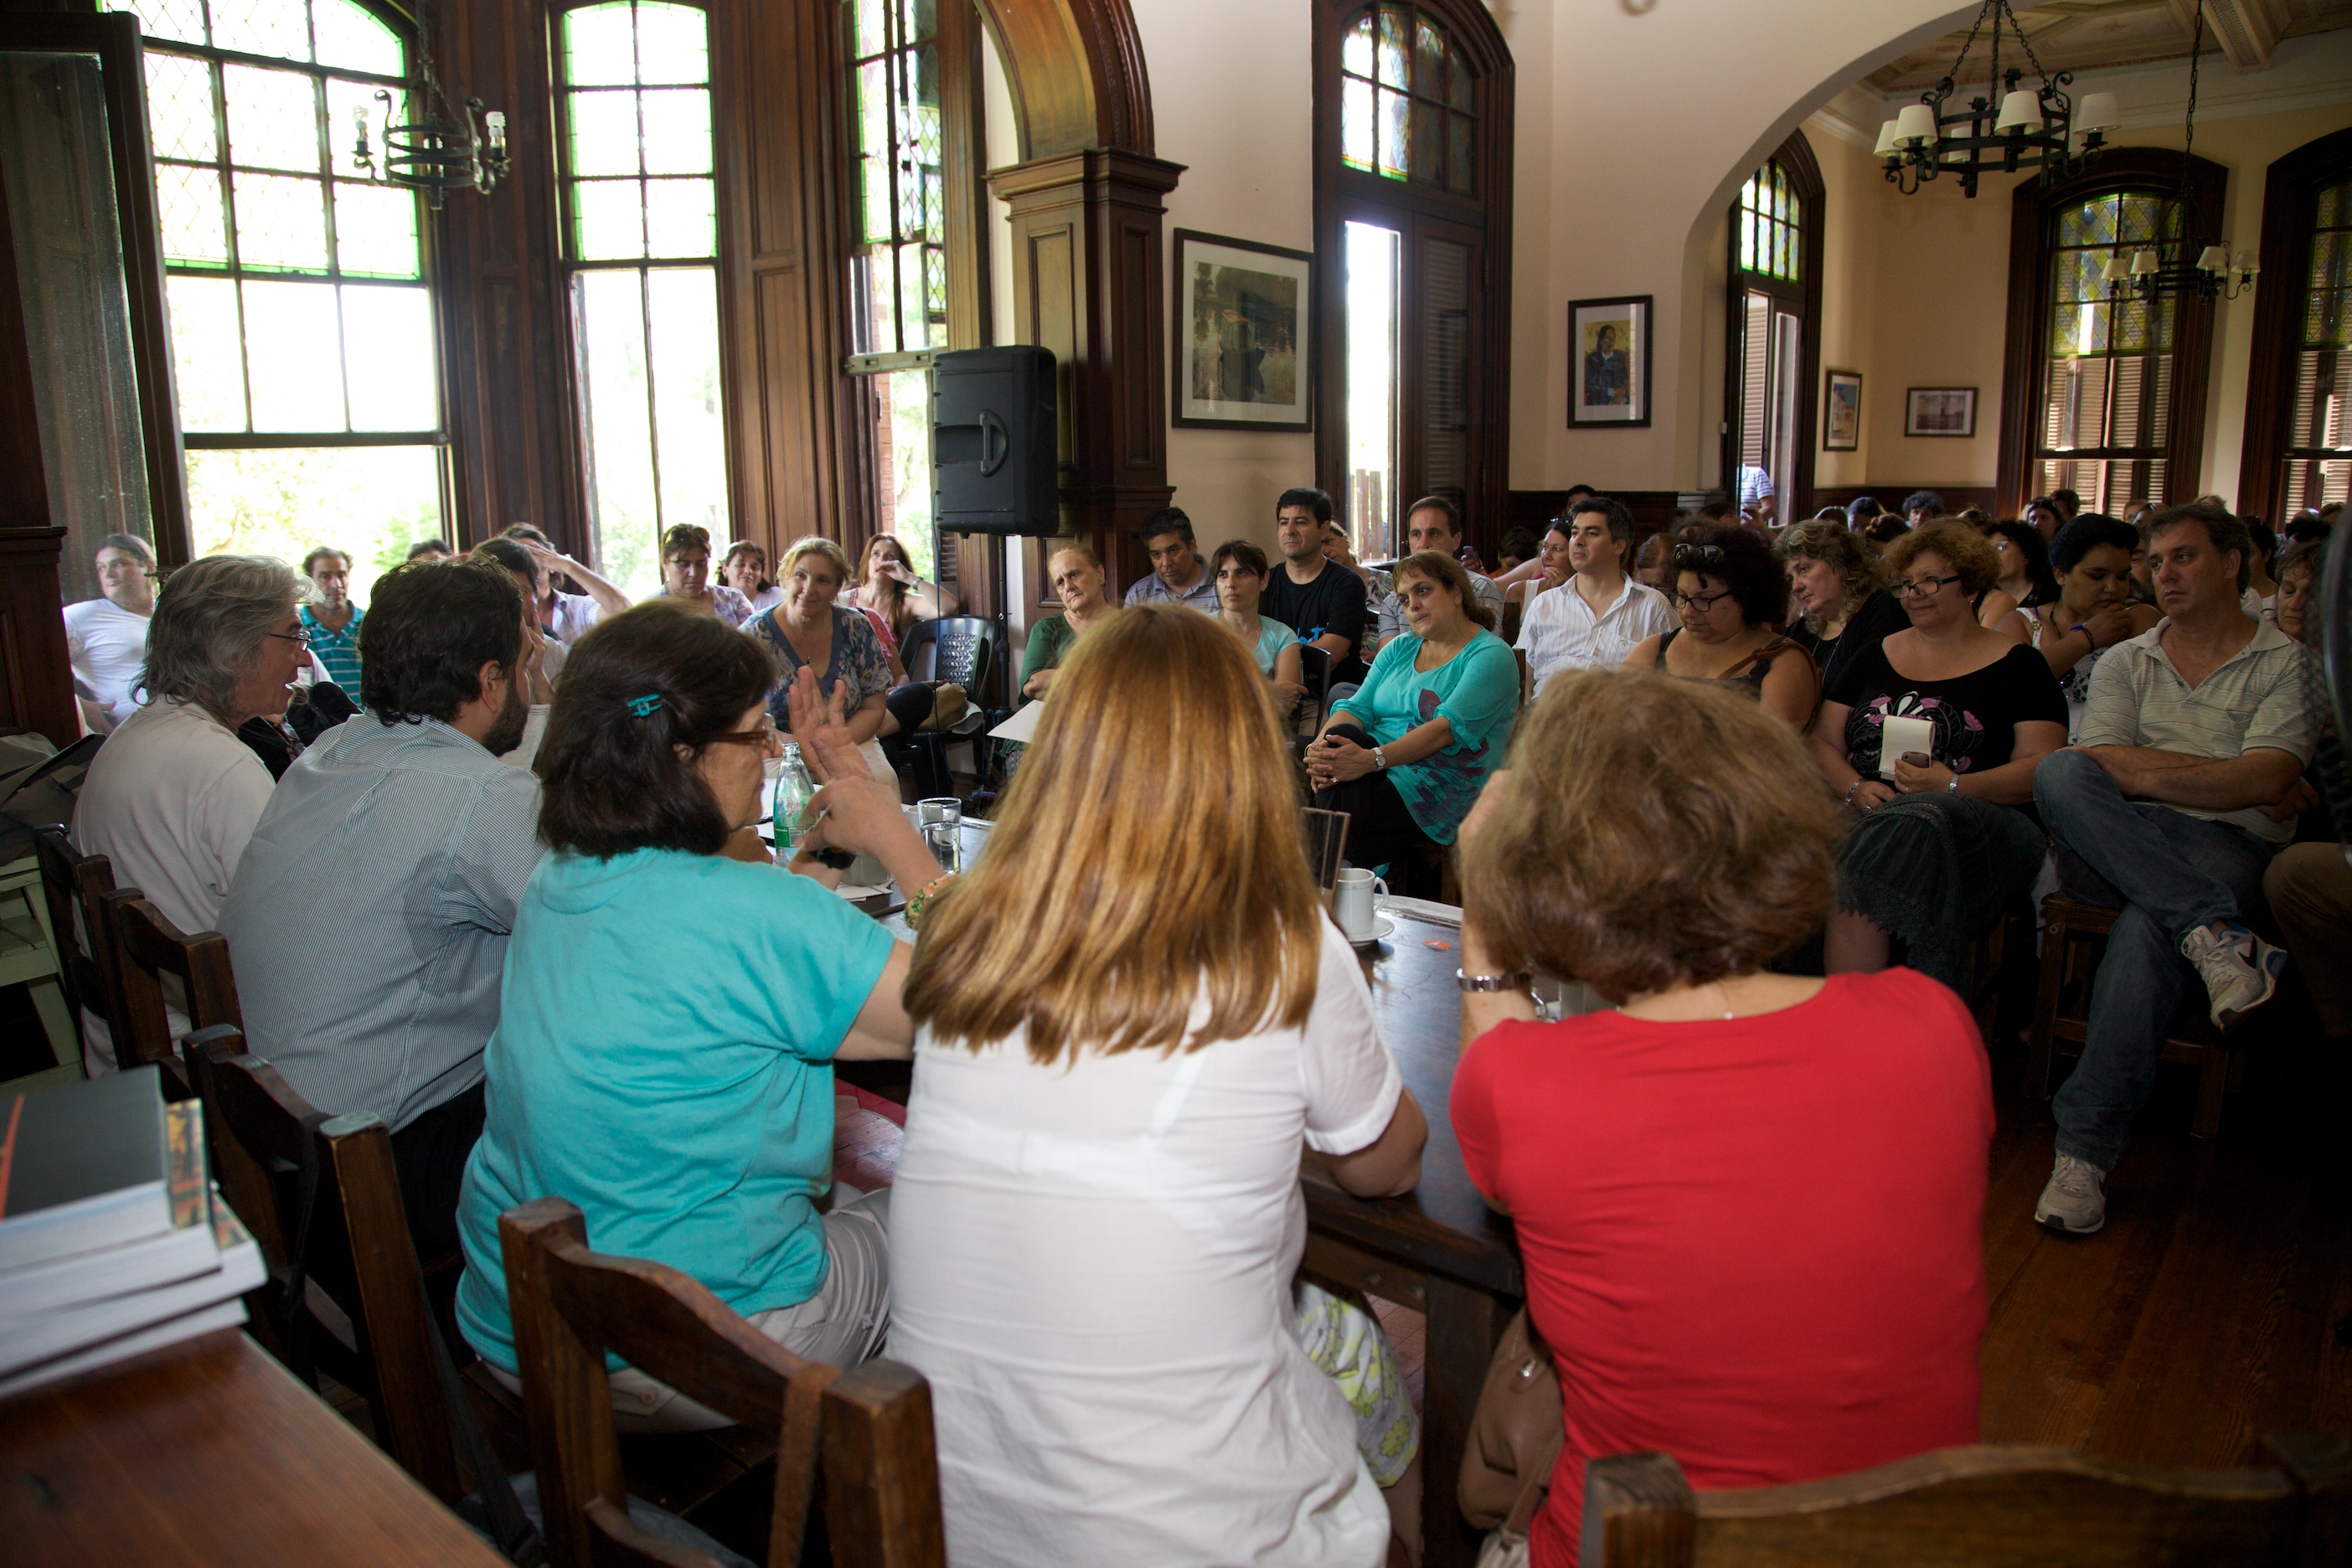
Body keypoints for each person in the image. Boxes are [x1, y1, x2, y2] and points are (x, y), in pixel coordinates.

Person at [891, 604, 1429, 1568]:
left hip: (947, 1520)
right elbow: (1386, 1167)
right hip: (1199, 1542)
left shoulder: (971, 931)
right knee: (1364, 1347)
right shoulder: (1284, 942)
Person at [1452, 669, 1989, 1568]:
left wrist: (1483, 911)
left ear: (1545, 868)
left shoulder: (1527, 1083)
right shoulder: (1934, 1028)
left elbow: (1499, 1067)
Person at [456, 610, 941, 1428]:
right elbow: (975, 1010)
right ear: (682, 756)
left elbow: (745, 960)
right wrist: (894, 835)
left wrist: (823, 853)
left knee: (855, 1203)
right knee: (953, 1204)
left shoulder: (559, 878)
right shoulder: (752, 915)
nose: (772, 751)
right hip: (695, 1357)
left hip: (526, 1324)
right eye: (754, 735)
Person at [219, 560, 541, 1256]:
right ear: (490, 680)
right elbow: (613, 938)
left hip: (279, 1133)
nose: (529, 678)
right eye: (523, 663)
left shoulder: (331, 749)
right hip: (376, 1167)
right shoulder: (482, 794)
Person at [2031, 502, 2318, 1235]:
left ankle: (2082, 1154)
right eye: (2155, 563)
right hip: (2117, 847)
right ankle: (2212, 932)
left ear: (2232, 563)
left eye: (2183, 557)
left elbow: (2266, 777)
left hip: (2230, 849)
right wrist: (2220, 775)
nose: (2164, 575)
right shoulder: (2128, 658)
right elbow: (2095, 769)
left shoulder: (2288, 664)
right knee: (2059, 771)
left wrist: (2145, 773)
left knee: (2148, 923)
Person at [70, 556, 308, 1072]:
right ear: (232, 650)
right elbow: (294, 945)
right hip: (208, 1062)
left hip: (137, 1043)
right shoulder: (222, 766)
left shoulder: (136, 733)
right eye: (292, 637)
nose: (303, 658)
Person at [1810, 521, 2067, 995]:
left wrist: (1951, 785)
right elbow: (1822, 742)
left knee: (1910, 824)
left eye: (1929, 582)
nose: (1914, 595)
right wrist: (1855, 787)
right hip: (1868, 810)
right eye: (1905, 584)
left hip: (1979, 821)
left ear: (1970, 586)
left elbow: (2044, 768)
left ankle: (1855, 1019)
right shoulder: (1872, 655)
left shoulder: (2020, 665)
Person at [1307, 551, 1517, 895]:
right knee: (1321, 746)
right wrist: (1319, 748)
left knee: (1333, 788)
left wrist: (1370, 759)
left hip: (1441, 784)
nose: (1413, 605)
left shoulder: (1491, 655)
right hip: (1378, 769)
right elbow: (1356, 706)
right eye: (1405, 599)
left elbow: (1444, 730)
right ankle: (1343, 877)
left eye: (1423, 591)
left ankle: (1327, 883)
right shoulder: (1401, 648)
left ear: (1456, 592)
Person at [747, 535, 928, 781]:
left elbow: (874, 708)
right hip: (779, 750)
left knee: (882, 781)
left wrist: (834, 742)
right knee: (790, 796)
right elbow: (742, 716)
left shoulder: (856, 626)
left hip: (849, 740)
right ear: (786, 577)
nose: (808, 588)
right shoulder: (754, 634)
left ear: (837, 588)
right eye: (800, 575)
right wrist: (795, 746)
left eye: (822, 580)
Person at [1627, 528, 1815, 729]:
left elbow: (1770, 746)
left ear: (1745, 597)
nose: (1688, 611)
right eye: (1682, 596)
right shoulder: (1651, 651)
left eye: (1705, 599)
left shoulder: (1784, 662)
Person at [1511, 496, 1674, 698]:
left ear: (1619, 546)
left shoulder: (1652, 606)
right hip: (1549, 712)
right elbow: (1521, 680)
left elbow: (1673, 683)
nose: (1578, 541)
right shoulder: (1544, 604)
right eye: (1574, 533)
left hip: (1616, 714)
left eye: (1591, 533)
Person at [2025, 514, 2161, 737]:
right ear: (2061, 574)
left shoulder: (2137, 619)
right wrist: (2086, 639)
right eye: (2097, 576)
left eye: (2122, 577)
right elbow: (2010, 685)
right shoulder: (2025, 622)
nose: (2112, 588)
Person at [1777, 516, 1903, 699]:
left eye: (1804, 569)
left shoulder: (1883, 610)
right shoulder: (1801, 630)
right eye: (1790, 579)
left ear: (1839, 561)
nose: (1796, 586)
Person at [1265, 487, 1372, 684]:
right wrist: (1308, 660)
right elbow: (1248, 647)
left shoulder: (1347, 584)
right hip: (1277, 691)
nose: (1289, 531)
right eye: (1283, 522)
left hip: (1332, 695)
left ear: (1323, 530)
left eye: (1300, 522)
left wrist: (1274, 661)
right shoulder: (1265, 582)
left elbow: (1332, 652)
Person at [1370, 497, 1503, 649]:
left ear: (1456, 540)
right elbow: (1390, 659)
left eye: (1434, 533)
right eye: (1416, 534)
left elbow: (1485, 650)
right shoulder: (1394, 600)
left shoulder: (1481, 586)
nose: (1423, 544)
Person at [63, 533, 157, 734]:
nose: (109, 574)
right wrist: (79, 706)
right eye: (102, 568)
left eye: (119, 564)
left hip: (187, 722)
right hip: (128, 734)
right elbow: (36, 673)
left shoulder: (169, 611)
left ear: (149, 567)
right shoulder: (81, 617)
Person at [1211, 538, 1308, 714]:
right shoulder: (1198, 630)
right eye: (1223, 575)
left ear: (1263, 580)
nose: (1230, 584)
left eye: (1241, 573)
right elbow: (1191, 698)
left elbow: (1285, 705)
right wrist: (1266, 692)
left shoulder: (1282, 636)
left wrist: (1221, 694)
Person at [498, 523, 629, 642]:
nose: (525, 564)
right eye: (515, 560)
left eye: (532, 554)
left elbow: (623, 610)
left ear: (550, 561)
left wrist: (568, 565)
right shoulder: (501, 617)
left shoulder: (578, 609)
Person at [1019, 543, 1114, 706]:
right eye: (1060, 583)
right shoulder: (1047, 628)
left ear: (1100, 574)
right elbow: (1034, 684)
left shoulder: (1131, 624)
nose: (1068, 586)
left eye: (1074, 575)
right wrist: (1102, 681)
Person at [848, 532, 952, 646]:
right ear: (866, 561)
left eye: (890, 556)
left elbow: (949, 606)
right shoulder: (844, 600)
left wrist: (908, 577)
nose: (881, 559)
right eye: (876, 554)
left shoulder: (906, 603)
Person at [653, 523, 755, 626]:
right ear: (664, 562)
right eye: (683, 564)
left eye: (701, 564)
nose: (693, 573)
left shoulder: (734, 600)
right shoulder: (651, 611)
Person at [1122, 506, 1220, 611]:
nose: (1166, 563)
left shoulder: (1223, 586)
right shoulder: (1138, 595)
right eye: (1156, 554)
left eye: (1173, 551)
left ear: (1192, 546)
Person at [299, 548, 365, 690]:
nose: (336, 584)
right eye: (325, 577)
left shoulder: (370, 624)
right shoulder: (295, 628)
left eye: (342, 575)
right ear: (310, 582)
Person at [1983, 520, 2058, 622]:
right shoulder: (1982, 600)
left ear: (2026, 554)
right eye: (1988, 550)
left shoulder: (2047, 596)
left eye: (2000, 547)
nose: (1993, 555)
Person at [722, 539, 783, 615]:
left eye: (755, 567)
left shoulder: (778, 597)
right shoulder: (716, 601)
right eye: (741, 565)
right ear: (724, 570)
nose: (748, 571)